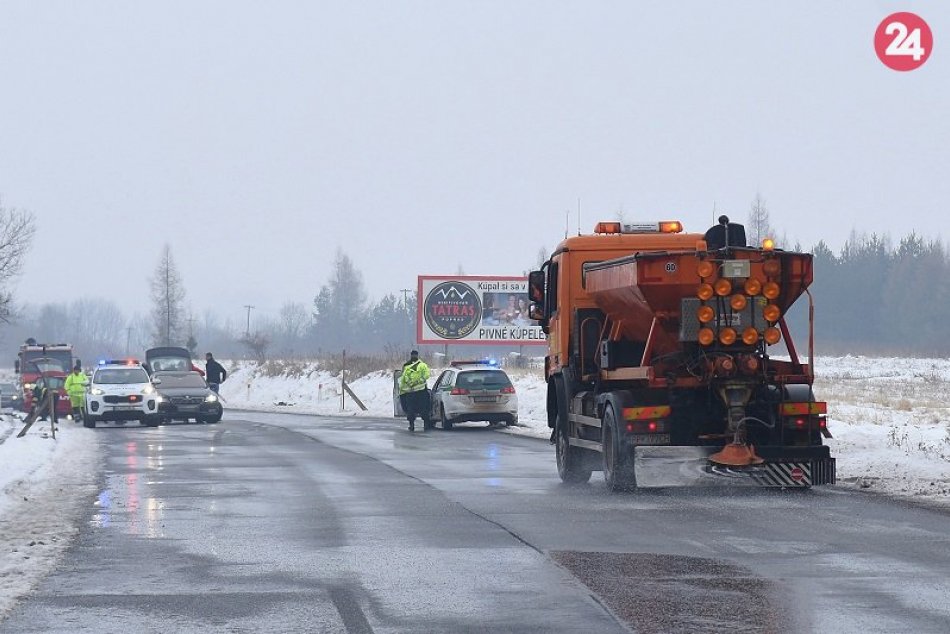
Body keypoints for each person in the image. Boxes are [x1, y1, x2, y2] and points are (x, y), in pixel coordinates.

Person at [399, 350, 431, 432]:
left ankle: (411, 425)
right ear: (417, 356)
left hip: (411, 392)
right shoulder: (423, 365)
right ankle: (426, 424)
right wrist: (420, 381)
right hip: (421, 391)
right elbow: (427, 375)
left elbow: (403, 378)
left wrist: (407, 385)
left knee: (410, 409)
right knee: (424, 407)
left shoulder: (406, 366)